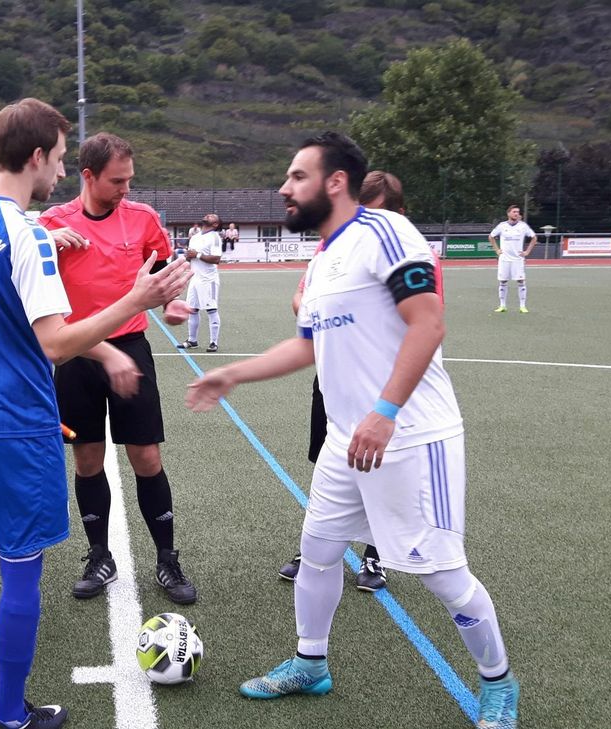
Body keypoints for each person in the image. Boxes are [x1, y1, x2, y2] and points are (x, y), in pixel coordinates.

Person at [186, 132, 519, 728]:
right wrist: (232, 374)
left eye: (296, 177)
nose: (284, 189)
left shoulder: (387, 234)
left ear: (334, 182)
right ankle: (310, 663)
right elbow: (306, 346)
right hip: (347, 439)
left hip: (413, 435)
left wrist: (384, 412)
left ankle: (499, 683)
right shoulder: (322, 259)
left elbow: (428, 324)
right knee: (317, 552)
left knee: (442, 574)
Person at [0, 98, 190, 729]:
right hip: (18, 424)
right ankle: (12, 713)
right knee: (19, 571)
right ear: (36, 157)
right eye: (61, 159)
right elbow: (54, 343)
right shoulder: (27, 234)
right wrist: (137, 299)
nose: (62, 173)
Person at [38, 132, 198, 605]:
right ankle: (99, 555)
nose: (127, 189)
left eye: (130, 179)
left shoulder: (144, 219)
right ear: (87, 176)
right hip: (75, 353)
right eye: (117, 181)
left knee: (146, 457)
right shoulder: (53, 222)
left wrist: (175, 303)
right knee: (87, 459)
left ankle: (167, 560)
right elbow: (26, 277)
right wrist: (43, 241)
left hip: (131, 348)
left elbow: (168, 275)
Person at [278, 169, 432, 593]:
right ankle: (317, 548)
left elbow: (424, 321)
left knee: (378, 469)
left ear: (400, 214)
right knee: (328, 465)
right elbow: (300, 299)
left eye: (380, 212)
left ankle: (376, 554)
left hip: (385, 389)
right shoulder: (332, 247)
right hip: (335, 383)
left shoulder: (409, 252)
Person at [179, 213, 223, 352]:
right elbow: (190, 257)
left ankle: (213, 342)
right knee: (192, 309)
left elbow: (216, 258)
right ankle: (192, 340)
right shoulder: (195, 237)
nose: (208, 215)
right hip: (195, 278)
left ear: (215, 224)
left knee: (211, 309)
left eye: (212, 216)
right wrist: (188, 256)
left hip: (208, 280)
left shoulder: (215, 237)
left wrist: (197, 255)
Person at [489, 205, 536, 313]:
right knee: (503, 281)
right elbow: (491, 236)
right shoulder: (502, 226)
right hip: (504, 259)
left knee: (521, 281)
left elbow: (534, 238)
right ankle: (502, 305)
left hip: (518, 259)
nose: (516, 214)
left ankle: (522, 306)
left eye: (518, 212)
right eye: (514, 212)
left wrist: (527, 252)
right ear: (508, 213)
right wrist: (497, 250)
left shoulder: (523, 226)